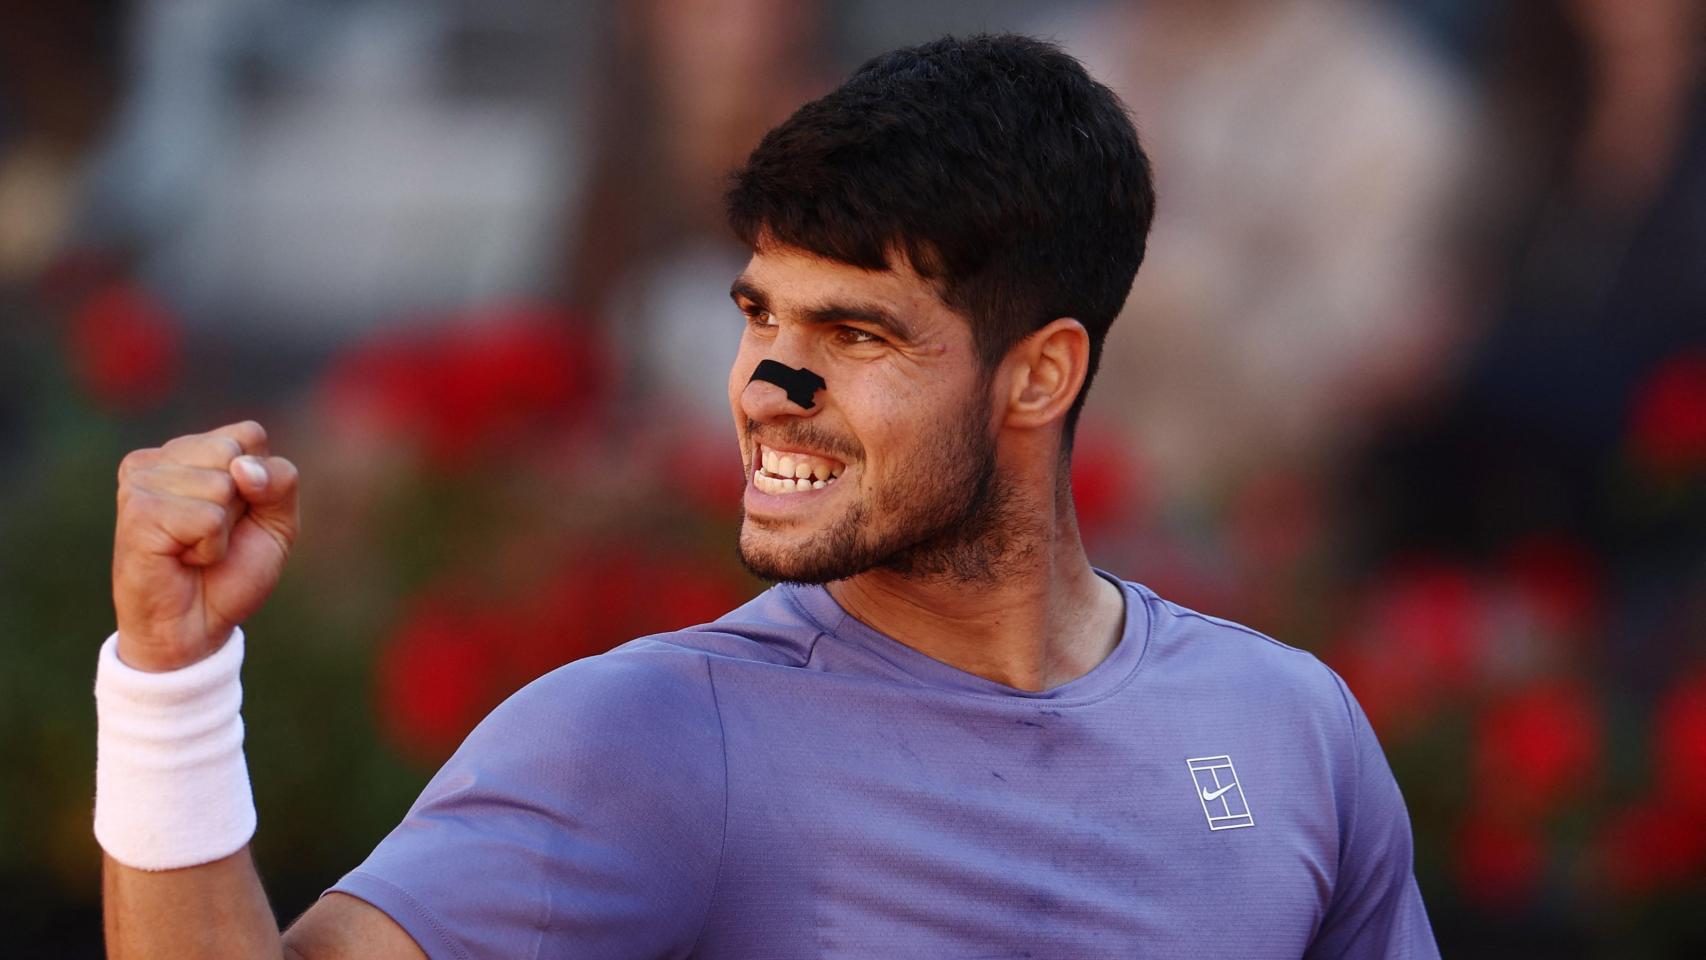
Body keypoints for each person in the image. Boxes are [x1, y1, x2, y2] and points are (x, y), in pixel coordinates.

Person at [97, 34, 1437, 959]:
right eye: (760, 316)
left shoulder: (1290, 732)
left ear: (1039, 376)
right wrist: (169, 682)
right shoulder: (647, 740)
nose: (767, 386)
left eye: (854, 334)